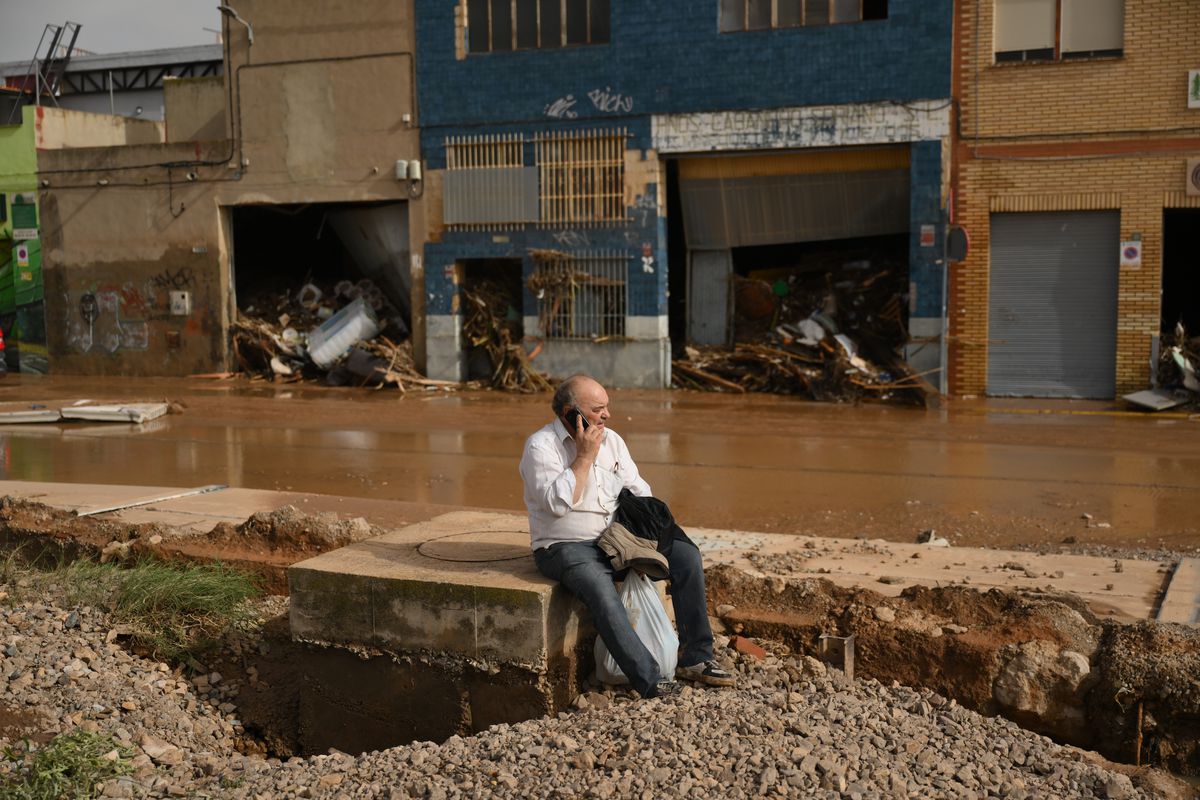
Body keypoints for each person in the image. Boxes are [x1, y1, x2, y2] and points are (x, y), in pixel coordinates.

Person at [519, 373, 734, 699]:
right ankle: (650, 680)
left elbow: (638, 490)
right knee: (600, 588)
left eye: (607, 407)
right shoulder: (540, 447)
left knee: (686, 556)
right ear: (570, 413)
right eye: (598, 409)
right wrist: (584, 457)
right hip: (564, 546)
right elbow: (556, 505)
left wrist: (643, 534)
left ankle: (697, 657)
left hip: (616, 537)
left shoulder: (613, 441)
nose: (607, 415)